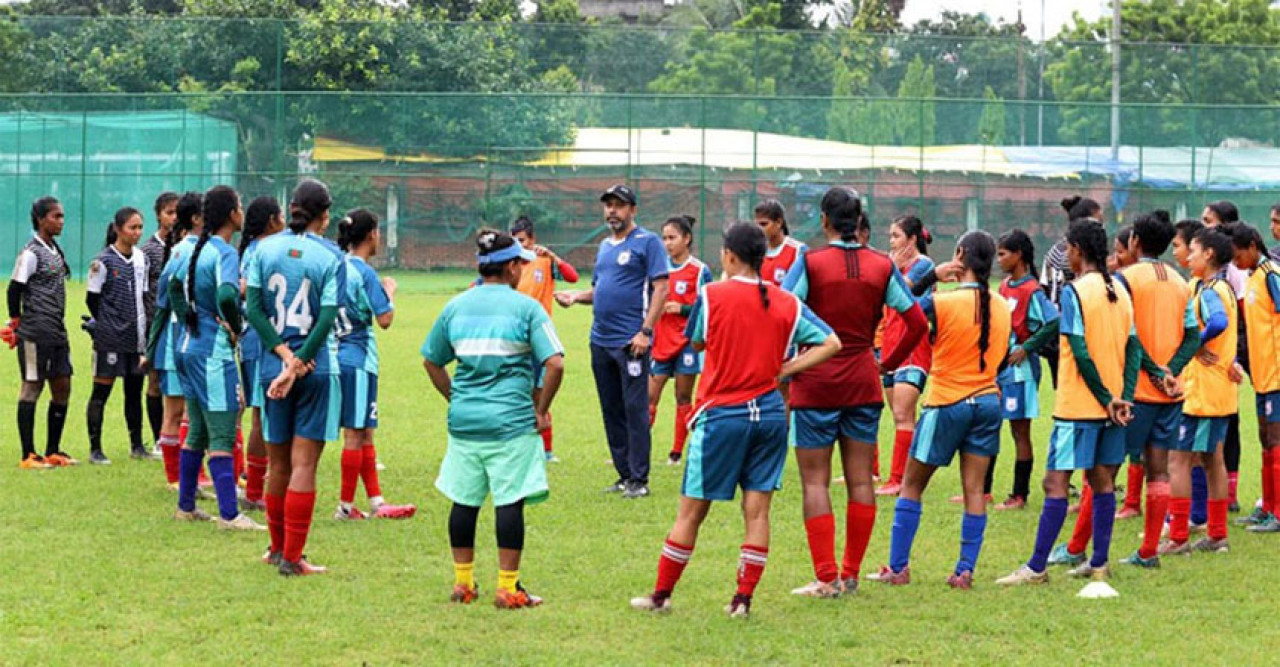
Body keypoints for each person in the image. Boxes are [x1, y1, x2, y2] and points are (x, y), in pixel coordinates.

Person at [630, 222, 841, 617]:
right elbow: (832, 342)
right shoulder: (787, 302)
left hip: (723, 416)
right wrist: (786, 368)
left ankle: (660, 596)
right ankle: (742, 601)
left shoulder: (711, 295)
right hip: (773, 417)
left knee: (692, 511)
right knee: (757, 511)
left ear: (728, 255)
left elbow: (696, 341)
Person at [782, 188, 928, 598]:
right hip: (863, 379)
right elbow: (916, 322)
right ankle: (849, 574)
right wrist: (886, 361)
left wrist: (791, 359)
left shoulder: (808, 261)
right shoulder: (882, 265)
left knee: (816, 481)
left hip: (815, 381)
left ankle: (825, 577)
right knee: (861, 479)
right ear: (859, 220)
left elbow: (783, 311)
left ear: (825, 220)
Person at [423, 228, 565, 609]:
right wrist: (540, 409)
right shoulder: (527, 308)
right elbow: (555, 363)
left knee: (464, 500)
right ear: (510, 267)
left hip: (466, 423)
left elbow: (431, 360)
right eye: (520, 261)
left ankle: (463, 583)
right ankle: (507, 587)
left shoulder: (456, 305)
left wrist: (456, 397)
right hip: (511, 423)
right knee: (509, 501)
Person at [997, 220, 1138, 585]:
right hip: (1113, 405)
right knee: (1102, 479)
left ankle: (1037, 567)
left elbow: (1079, 350)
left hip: (1080, 406)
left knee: (1055, 482)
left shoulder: (1075, 292)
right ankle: (1099, 562)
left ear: (1076, 250)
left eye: (1068, 248)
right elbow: (1134, 347)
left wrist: (1106, 398)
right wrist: (1124, 395)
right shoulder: (1121, 290)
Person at [869, 230, 1012, 589]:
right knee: (974, 489)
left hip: (947, 402)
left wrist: (931, 275)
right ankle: (964, 570)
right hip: (988, 402)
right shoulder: (1001, 304)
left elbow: (903, 305)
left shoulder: (944, 302)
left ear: (960, 255)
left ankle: (898, 568)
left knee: (912, 486)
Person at [244, 179, 347, 575]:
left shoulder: (262, 250)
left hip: (272, 366)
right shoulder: (330, 255)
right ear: (325, 214)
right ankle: (293, 557)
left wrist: (284, 358)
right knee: (304, 465)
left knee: (279, 464)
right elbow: (326, 316)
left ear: (288, 212)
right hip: (316, 367)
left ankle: (275, 548)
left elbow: (254, 311)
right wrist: (300, 359)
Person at [554, 184, 668, 499]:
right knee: (611, 409)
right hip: (600, 340)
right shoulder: (605, 246)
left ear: (633, 209)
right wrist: (576, 297)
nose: (612, 212)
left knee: (635, 410)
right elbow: (601, 290)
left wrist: (645, 332)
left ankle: (639, 479)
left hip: (630, 341)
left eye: (618, 205)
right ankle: (624, 474)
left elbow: (661, 289)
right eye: (608, 206)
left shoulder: (648, 242)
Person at [166, 185, 264, 531]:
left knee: (196, 432)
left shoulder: (197, 249)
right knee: (221, 434)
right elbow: (225, 294)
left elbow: (174, 288)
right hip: (211, 352)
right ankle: (229, 514)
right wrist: (235, 326)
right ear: (232, 215)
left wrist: (188, 315)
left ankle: (186, 505)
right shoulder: (222, 251)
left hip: (187, 346)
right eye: (239, 205)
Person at [1105, 211, 1197, 568]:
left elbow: (1128, 337)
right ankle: (1148, 553)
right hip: (1169, 395)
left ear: (1134, 242)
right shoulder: (1179, 280)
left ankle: (1085, 549)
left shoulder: (1125, 279)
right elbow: (1192, 335)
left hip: (1134, 392)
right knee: (1158, 471)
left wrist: (1154, 372)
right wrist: (1171, 371)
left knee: (1105, 470)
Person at [1160, 228, 1240, 555]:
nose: (1188, 256)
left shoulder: (1211, 290)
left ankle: (1179, 537)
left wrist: (1196, 343)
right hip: (1213, 390)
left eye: (1193, 250)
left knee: (1179, 460)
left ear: (1208, 255)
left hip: (1203, 393)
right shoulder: (1213, 287)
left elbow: (1218, 322)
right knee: (1210, 459)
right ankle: (1216, 534)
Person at [333, 208, 415, 521]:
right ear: (372, 235)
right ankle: (344, 506)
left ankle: (376, 502)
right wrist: (389, 292)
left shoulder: (335, 265)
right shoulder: (363, 272)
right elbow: (385, 319)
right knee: (356, 432)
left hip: (336, 352)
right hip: (358, 357)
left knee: (364, 430)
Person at [4, 197, 74, 469]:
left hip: (56, 330)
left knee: (62, 385)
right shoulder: (31, 252)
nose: (61, 221)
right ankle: (28, 455)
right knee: (32, 386)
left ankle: (53, 450)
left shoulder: (54, 249)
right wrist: (16, 322)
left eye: (62, 216)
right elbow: (14, 289)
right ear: (41, 219)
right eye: (56, 216)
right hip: (35, 331)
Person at [992, 230, 1059, 511]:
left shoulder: (1032, 290)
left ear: (1018, 255)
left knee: (1020, 431)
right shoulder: (1005, 286)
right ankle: (984, 490)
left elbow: (1053, 321)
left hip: (1021, 371)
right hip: (1001, 368)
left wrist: (1027, 347)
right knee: (994, 425)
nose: (999, 259)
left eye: (1003, 253)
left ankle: (1019, 495)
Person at [84, 207, 151, 464]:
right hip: (110, 339)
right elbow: (92, 299)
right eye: (132, 227)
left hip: (136, 338)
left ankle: (136, 445)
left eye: (140, 227)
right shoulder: (103, 261)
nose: (137, 233)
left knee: (134, 393)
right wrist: (107, 325)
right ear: (118, 229)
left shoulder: (141, 259)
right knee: (101, 393)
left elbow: (143, 296)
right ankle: (95, 449)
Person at [510, 216, 578, 462]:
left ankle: (547, 451)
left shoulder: (544, 261)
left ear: (533, 239)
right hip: (515, 336)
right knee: (519, 392)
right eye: (516, 242)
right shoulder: (511, 264)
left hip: (540, 336)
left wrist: (553, 256)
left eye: (523, 241)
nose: (521, 246)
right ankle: (521, 447)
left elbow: (572, 277)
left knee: (541, 393)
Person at [147, 192, 203, 489]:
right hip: (184, 340)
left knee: (182, 411)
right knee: (185, 411)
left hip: (178, 341)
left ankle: (180, 476)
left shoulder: (180, 251)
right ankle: (179, 476)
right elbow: (167, 302)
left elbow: (163, 302)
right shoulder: (192, 251)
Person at [648, 215, 713, 466]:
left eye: (672, 238)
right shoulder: (659, 268)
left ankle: (676, 453)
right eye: (664, 238)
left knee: (683, 397)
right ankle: (639, 448)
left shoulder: (699, 270)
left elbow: (708, 305)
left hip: (686, 342)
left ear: (687, 239)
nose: (667, 243)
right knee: (649, 397)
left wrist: (683, 310)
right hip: (660, 340)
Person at [1229, 223, 1280, 533]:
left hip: (1277, 375)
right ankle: (1268, 507)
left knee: (1276, 440)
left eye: (1236, 255)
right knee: (1265, 439)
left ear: (1250, 246)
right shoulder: (1251, 277)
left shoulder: (1271, 274)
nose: (1234, 262)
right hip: (1261, 375)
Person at [879, 215, 935, 498]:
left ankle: (898, 480)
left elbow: (904, 291)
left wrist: (891, 269)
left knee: (903, 414)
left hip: (913, 347)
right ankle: (905, 476)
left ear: (913, 240)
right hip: (891, 344)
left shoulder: (924, 265)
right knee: (900, 415)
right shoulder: (895, 267)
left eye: (896, 236)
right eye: (890, 236)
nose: (892, 242)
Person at [237, 196, 285, 512]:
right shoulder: (261, 250)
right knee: (261, 412)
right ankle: (256, 489)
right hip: (259, 340)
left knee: (263, 412)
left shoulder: (258, 249)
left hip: (263, 338)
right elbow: (242, 288)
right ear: (271, 220)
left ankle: (259, 485)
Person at [1201, 201, 1246, 511]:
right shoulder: (1203, 278)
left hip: (1227, 358)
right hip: (1211, 362)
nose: (1204, 226)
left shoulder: (1235, 275)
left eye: (1209, 221)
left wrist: (1237, 357)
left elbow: (1241, 320)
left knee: (1227, 427)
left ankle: (1225, 496)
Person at [1041, 196, 1103, 388]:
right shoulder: (1071, 254)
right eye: (1098, 222)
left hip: (1057, 332)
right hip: (1071, 331)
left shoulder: (1056, 250)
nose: (1102, 228)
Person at [141, 191, 178, 446]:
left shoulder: (183, 247)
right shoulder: (149, 250)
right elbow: (143, 290)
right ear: (158, 215)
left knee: (176, 384)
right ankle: (158, 438)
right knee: (154, 381)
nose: (173, 218)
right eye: (169, 212)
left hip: (181, 325)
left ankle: (176, 434)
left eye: (177, 212)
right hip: (156, 323)